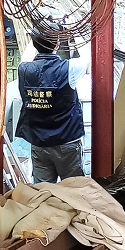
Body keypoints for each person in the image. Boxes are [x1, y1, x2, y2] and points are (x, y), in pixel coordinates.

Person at [16, 30, 88, 182]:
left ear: (34, 44)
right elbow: (88, 57)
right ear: (57, 44)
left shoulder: (24, 70)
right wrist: (74, 31)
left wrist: (38, 33)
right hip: (67, 141)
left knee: (43, 191)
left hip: (39, 143)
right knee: (74, 189)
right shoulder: (69, 69)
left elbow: (26, 57)